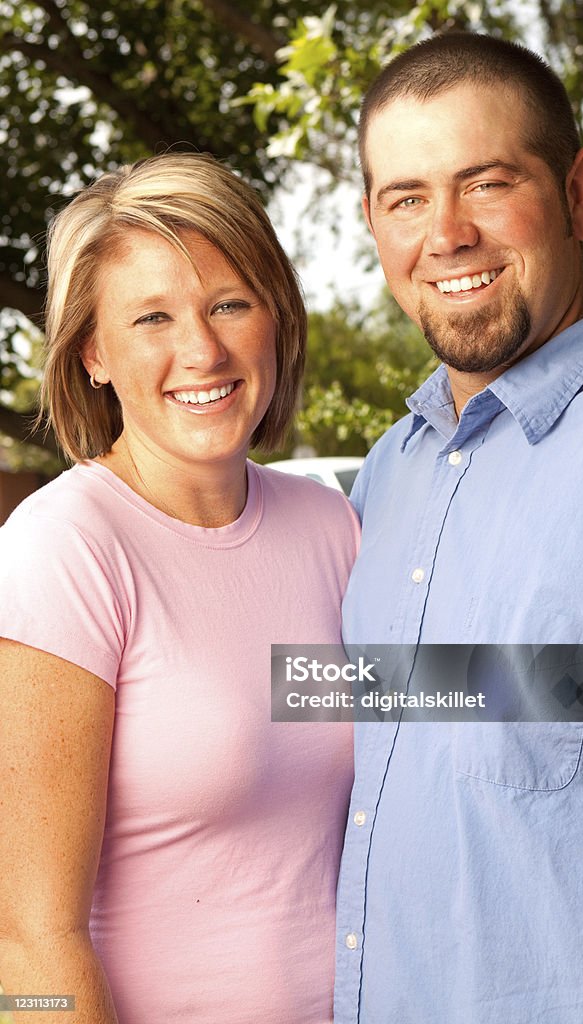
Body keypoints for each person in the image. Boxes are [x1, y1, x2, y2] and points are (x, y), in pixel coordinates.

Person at [334, 31, 583, 1024]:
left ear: (577, 193)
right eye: (405, 198)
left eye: (484, 183)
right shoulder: (386, 476)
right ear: (372, 222)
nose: (444, 234)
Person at [0, 152, 359, 1024]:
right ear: (92, 352)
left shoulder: (331, 526)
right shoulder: (66, 551)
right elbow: (27, 942)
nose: (201, 349)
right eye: (151, 317)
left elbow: (455, 700)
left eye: (229, 303)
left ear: (274, 317)